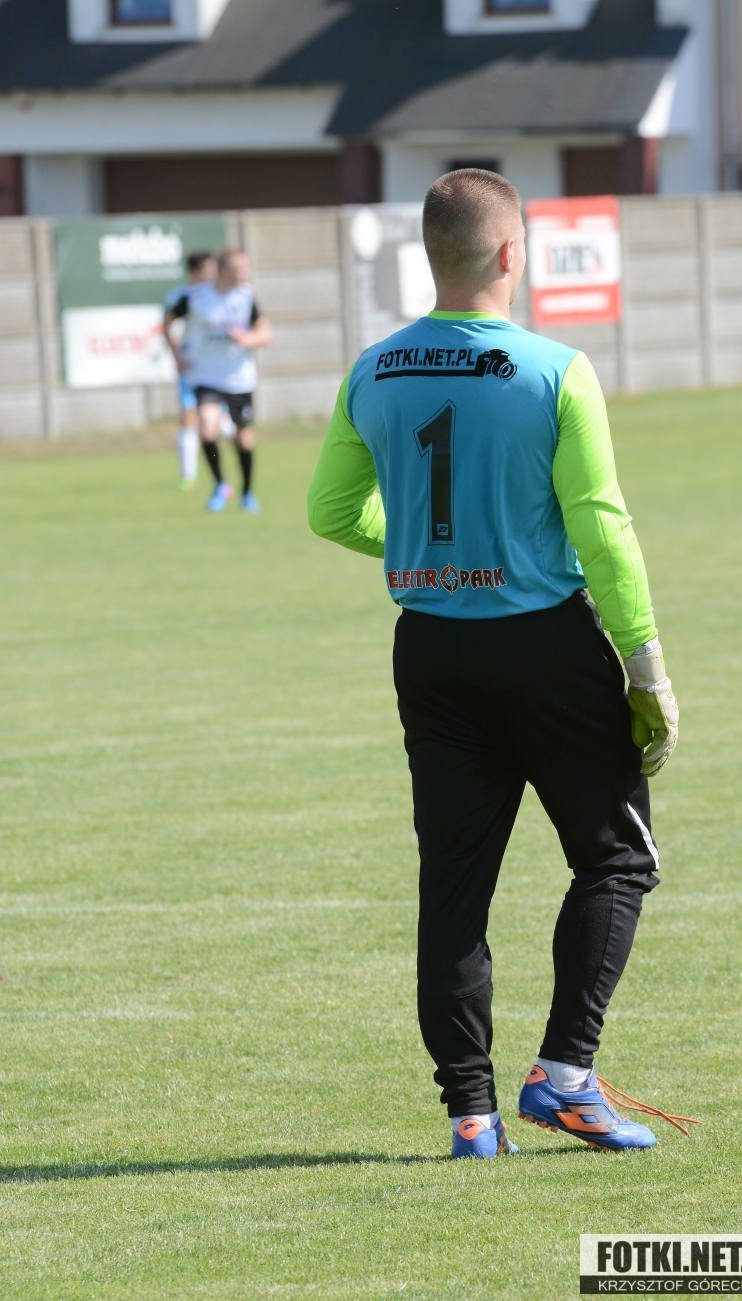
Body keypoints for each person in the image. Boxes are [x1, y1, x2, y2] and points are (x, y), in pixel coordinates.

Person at [307, 169, 680, 1160]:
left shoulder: (372, 369)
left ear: (430, 254)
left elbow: (330, 511)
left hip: (430, 649)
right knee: (616, 858)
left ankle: (471, 1116)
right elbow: (600, 526)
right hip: (546, 645)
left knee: (453, 886)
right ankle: (564, 1077)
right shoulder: (555, 369)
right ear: (513, 252)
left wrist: (430, 551)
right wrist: (645, 662)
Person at [165, 249, 273, 513]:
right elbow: (167, 321)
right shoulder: (196, 297)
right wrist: (177, 354)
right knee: (207, 429)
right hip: (206, 376)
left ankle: (247, 492)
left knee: (243, 440)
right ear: (226, 271)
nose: (246, 273)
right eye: (241, 268)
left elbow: (266, 332)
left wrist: (248, 339)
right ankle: (220, 484)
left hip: (239, 379)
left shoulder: (246, 296)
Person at [164, 250, 216, 490]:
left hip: (217, 370)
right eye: (206, 270)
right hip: (192, 367)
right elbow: (167, 325)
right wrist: (178, 355)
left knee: (218, 423)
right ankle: (188, 475)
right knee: (188, 417)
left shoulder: (220, 295)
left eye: (213, 270)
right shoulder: (181, 297)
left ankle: (221, 477)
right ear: (193, 272)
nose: (211, 275)